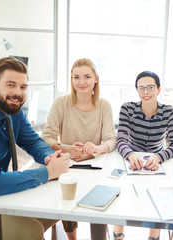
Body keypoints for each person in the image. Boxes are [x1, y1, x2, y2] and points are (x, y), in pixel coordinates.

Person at [0, 57, 70, 240]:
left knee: (54, 211)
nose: (17, 93)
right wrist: (47, 173)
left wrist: (51, 157)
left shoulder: (12, 110)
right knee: (29, 231)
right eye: (10, 85)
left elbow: (33, 142)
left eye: (23, 87)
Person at [42, 58, 116, 240]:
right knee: (68, 203)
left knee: (98, 208)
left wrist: (98, 148)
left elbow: (111, 139)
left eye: (87, 77)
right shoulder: (60, 103)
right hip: (68, 167)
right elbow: (47, 136)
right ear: (71, 79)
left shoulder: (104, 105)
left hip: (97, 168)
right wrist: (66, 148)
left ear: (96, 79)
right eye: (76, 77)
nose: (81, 82)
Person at [115, 70, 173, 240]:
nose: (146, 92)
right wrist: (130, 155)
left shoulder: (170, 111)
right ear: (137, 91)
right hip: (131, 156)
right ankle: (118, 234)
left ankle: (153, 236)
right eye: (141, 88)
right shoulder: (127, 108)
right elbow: (120, 139)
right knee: (123, 192)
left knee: (156, 196)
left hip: (157, 159)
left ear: (158, 89)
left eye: (150, 87)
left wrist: (159, 157)